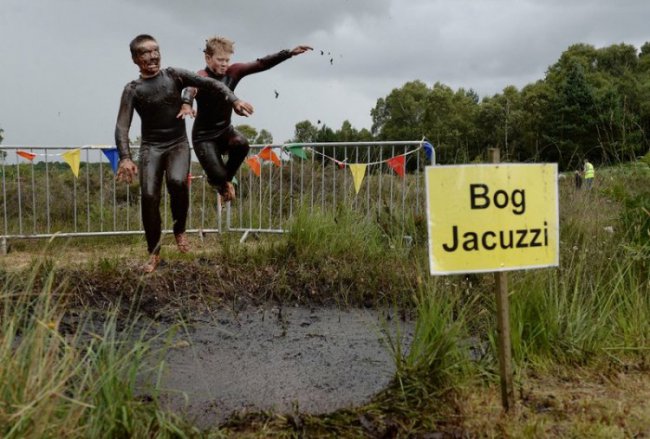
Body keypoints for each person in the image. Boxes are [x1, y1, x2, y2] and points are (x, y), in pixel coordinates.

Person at [115, 34, 254, 273]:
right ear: (135, 59)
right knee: (149, 196)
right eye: (145, 53)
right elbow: (122, 126)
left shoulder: (174, 75)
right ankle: (154, 254)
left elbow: (211, 83)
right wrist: (126, 157)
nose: (152, 56)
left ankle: (179, 230)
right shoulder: (132, 89)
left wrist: (234, 100)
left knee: (178, 182)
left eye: (155, 50)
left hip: (177, 144)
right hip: (151, 147)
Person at [178, 36, 312, 202]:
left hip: (225, 131)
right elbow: (190, 89)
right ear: (208, 58)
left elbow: (260, 63)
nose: (224, 64)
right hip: (204, 137)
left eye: (227, 60)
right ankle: (219, 181)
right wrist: (186, 104)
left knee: (242, 143)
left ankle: (223, 181)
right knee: (218, 175)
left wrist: (288, 53)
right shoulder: (202, 75)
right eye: (220, 60)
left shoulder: (233, 71)